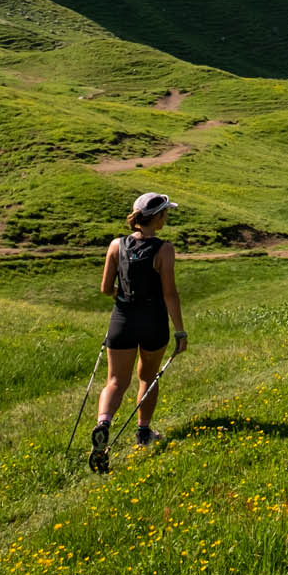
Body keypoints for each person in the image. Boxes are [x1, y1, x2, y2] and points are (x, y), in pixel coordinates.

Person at [88, 192, 187, 471]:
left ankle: (103, 423)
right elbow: (170, 294)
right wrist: (180, 332)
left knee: (116, 381)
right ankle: (143, 433)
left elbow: (106, 289)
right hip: (153, 321)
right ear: (156, 218)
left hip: (122, 320)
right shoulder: (164, 249)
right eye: (165, 213)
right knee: (148, 377)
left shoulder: (116, 246)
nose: (166, 217)